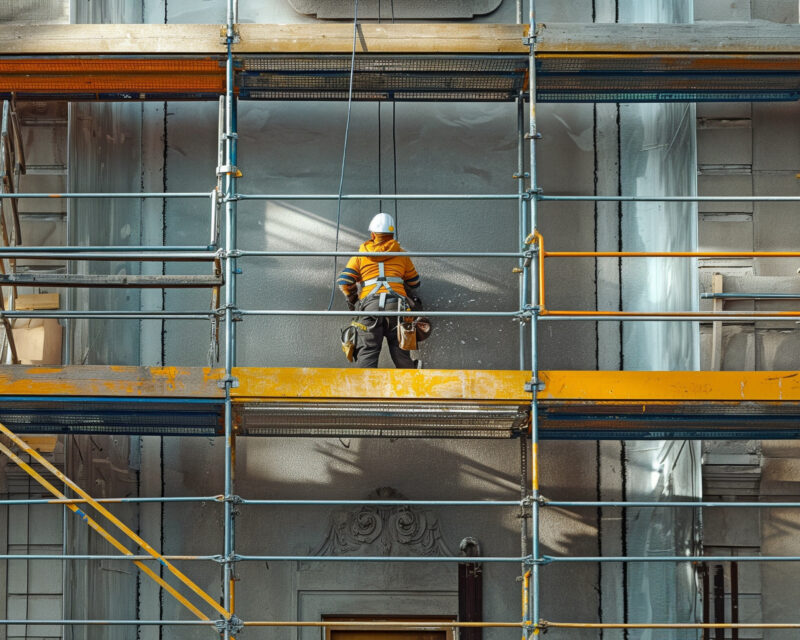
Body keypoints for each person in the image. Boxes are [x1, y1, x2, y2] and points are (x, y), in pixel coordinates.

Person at [338, 212, 421, 368]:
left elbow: (344, 281)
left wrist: (353, 297)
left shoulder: (360, 255)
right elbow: (415, 282)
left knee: (367, 352)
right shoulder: (402, 255)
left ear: (373, 233)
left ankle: (365, 390)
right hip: (397, 308)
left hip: (370, 307)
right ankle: (409, 388)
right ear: (392, 233)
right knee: (401, 351)